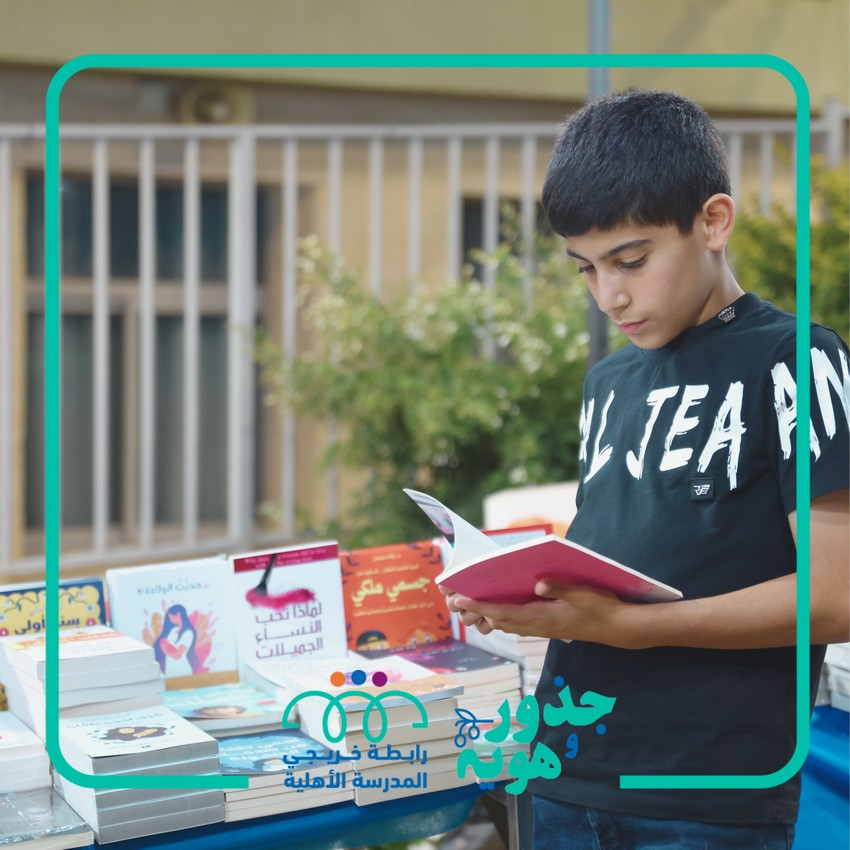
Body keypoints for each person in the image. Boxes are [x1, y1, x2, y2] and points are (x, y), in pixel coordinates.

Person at [445, 89, 849, 849]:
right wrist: (520, 598)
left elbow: (836, 595)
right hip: (561, 771)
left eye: (631, 261)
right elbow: (616, 560)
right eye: (586, 269)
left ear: (714, 221)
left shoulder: (797, 360)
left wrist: (634, 629)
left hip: (706, 796)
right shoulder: (609, 382)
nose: (611, 295)